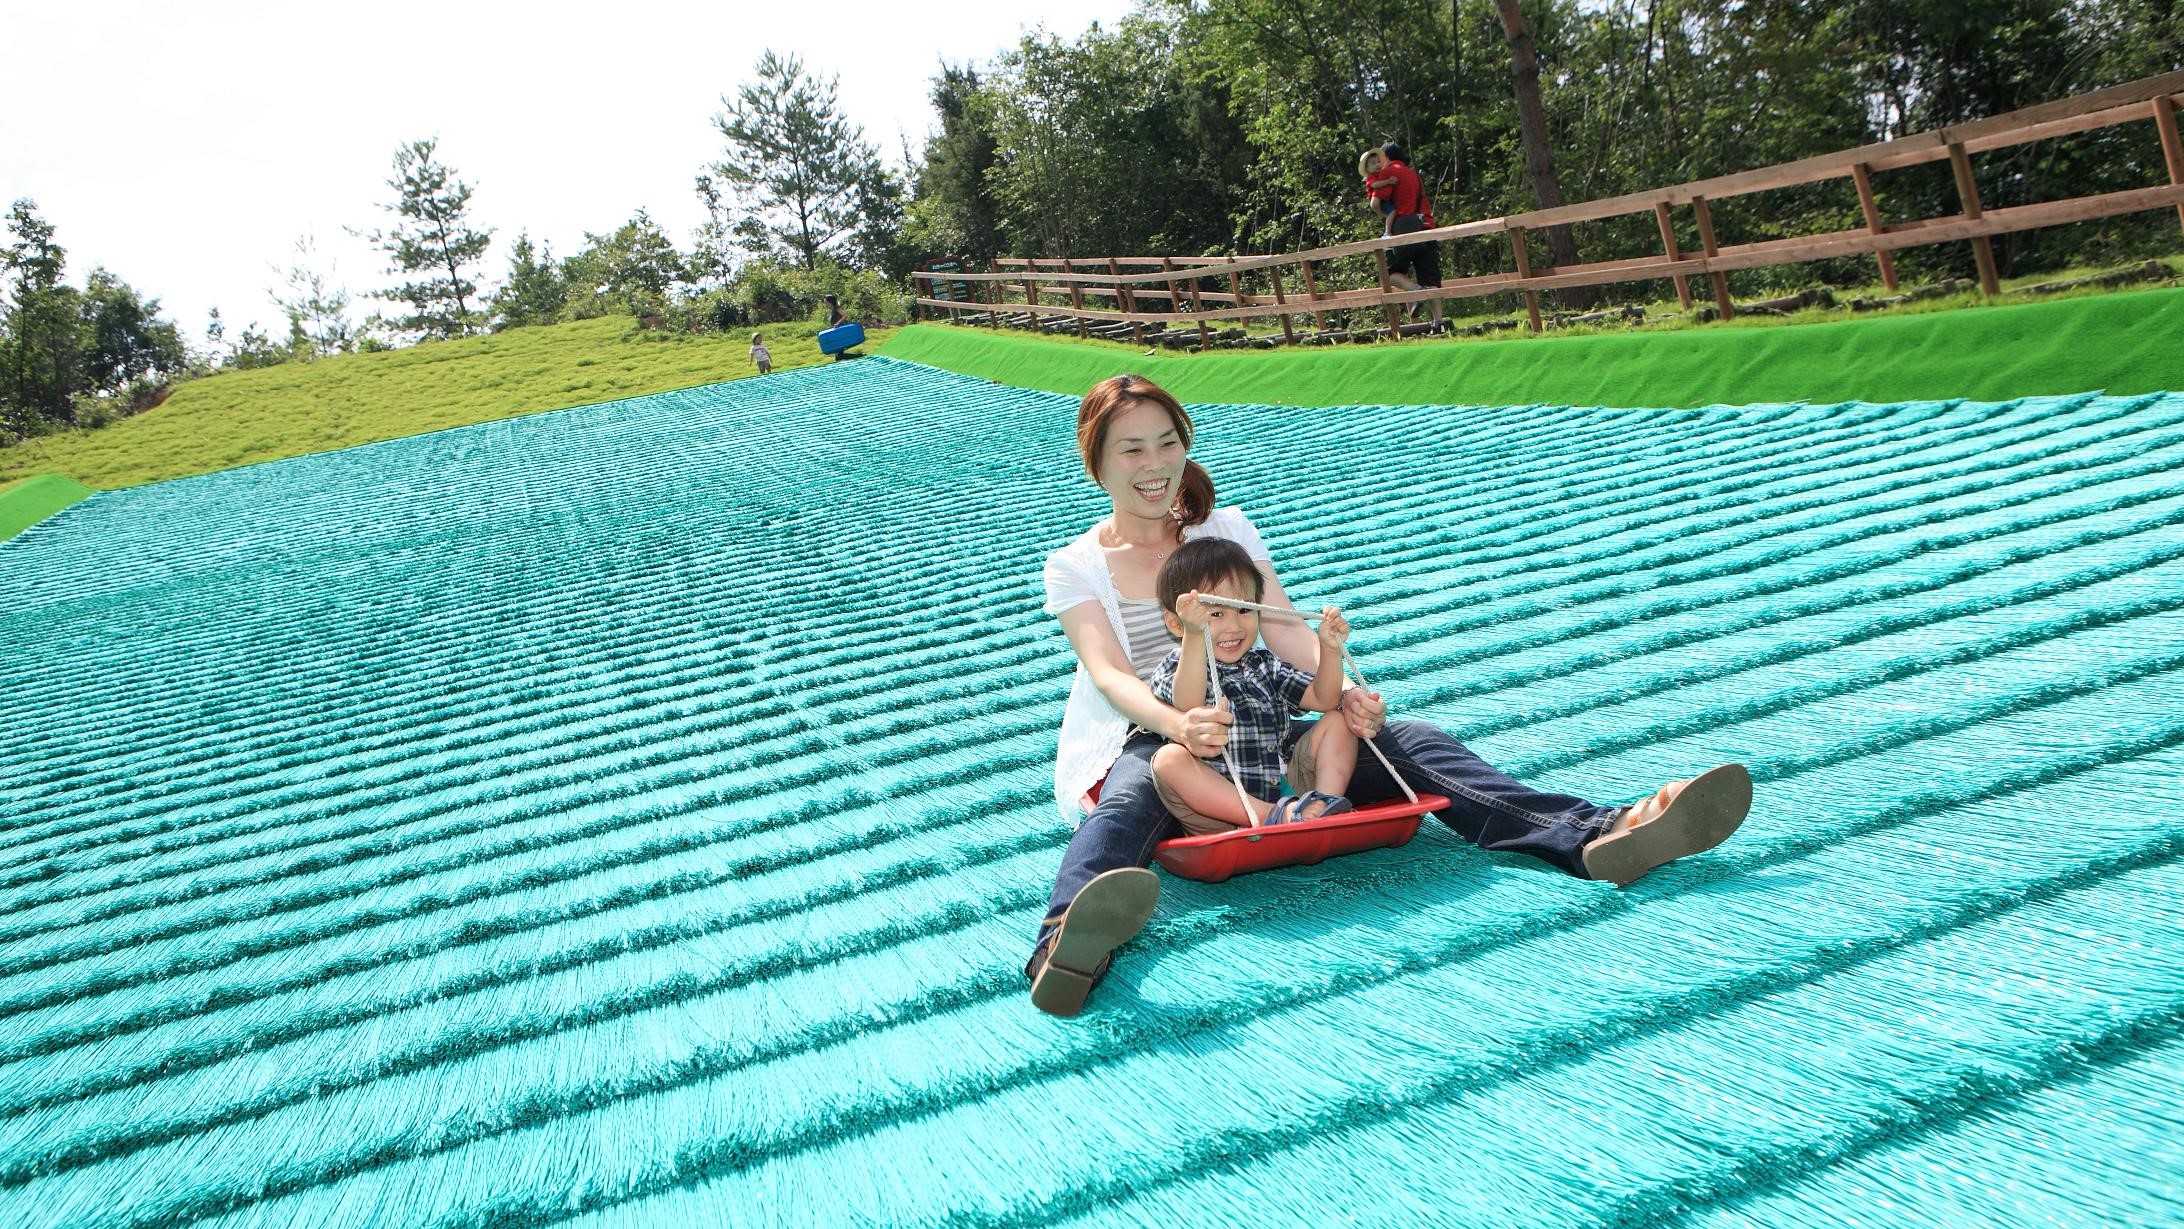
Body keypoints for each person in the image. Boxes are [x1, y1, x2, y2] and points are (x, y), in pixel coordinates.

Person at [1026, 373, 1754, 1017]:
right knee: (1131, 798)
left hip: (1265, 718)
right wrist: (1179, 725)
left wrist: (1344, 693)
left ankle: (1595, 835)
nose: (1154, 466)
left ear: (1185, 445)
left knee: (1414, 744)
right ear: (1096, 463)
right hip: (1155, 726)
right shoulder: (1077, 565)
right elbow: (1112, 676)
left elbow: (1286, 633)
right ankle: (1067, 945)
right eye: (1131, 450)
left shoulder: (1228, 529)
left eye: (1166, 443)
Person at [1147, 539, 1359, 833]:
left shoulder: (1263, 663)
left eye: (1244, 610)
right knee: (1168, 761)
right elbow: (1188, 704)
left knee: (1337, 718)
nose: (1234, 626)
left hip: (1285, 789)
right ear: (1177, 624)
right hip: (1220, 809)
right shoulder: (1176, 665)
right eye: (1216, 614)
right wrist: (1195, 637)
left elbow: (1323, 698)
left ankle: (1323, 805)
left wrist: (1330, 651)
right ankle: (1270, 815)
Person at [1372, 143, 1444, 328]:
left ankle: (1416, 292)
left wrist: (1385, 215)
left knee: (1389, 275)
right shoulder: (1414, 174)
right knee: (1431, 278)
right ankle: (1439, 323)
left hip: (1403, 231)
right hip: (1426, 227)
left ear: (1386, 157)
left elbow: (1375, 203)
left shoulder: (1388, 173)